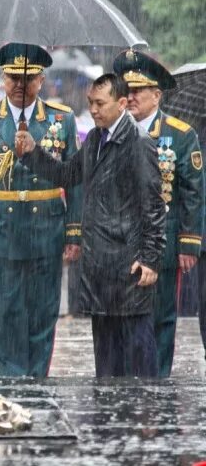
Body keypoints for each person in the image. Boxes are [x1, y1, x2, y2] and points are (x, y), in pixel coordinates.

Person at [16, 73, 166, 377]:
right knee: (106, 359)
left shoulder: (138, 143)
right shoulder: (97, 137)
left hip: (129, 264)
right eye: (90, 103)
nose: (94, 109)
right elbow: (68, 174)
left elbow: (153, 205)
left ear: (122, 103)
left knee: (136, 356)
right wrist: (32, 152)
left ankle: (143, 419)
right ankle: (108, 419)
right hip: (100, 263)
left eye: (100, 103)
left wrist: (150, 258)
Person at [0, 43, 82, 378]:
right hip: (1, 228)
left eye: (29, 79)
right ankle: (11, 378)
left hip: (46, 227)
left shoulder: (60, 119)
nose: (20, 85)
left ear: (41, 80)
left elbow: (75, 180)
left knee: (43, 308)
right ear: (2, 78)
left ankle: (37, 377)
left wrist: (74, 230)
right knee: (5, 308)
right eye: (12, 78)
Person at [113, 50, 204, 377]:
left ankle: (158, 377)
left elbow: (193, 192)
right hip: (120, 239)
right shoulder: (114, 131)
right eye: (128, 90)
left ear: (157, 95)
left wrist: (189, 243)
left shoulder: (180, 135)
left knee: (162, 315)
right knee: (120, 315)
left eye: (139, 91)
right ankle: (126, 379)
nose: (131, 96)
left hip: (163, 240)